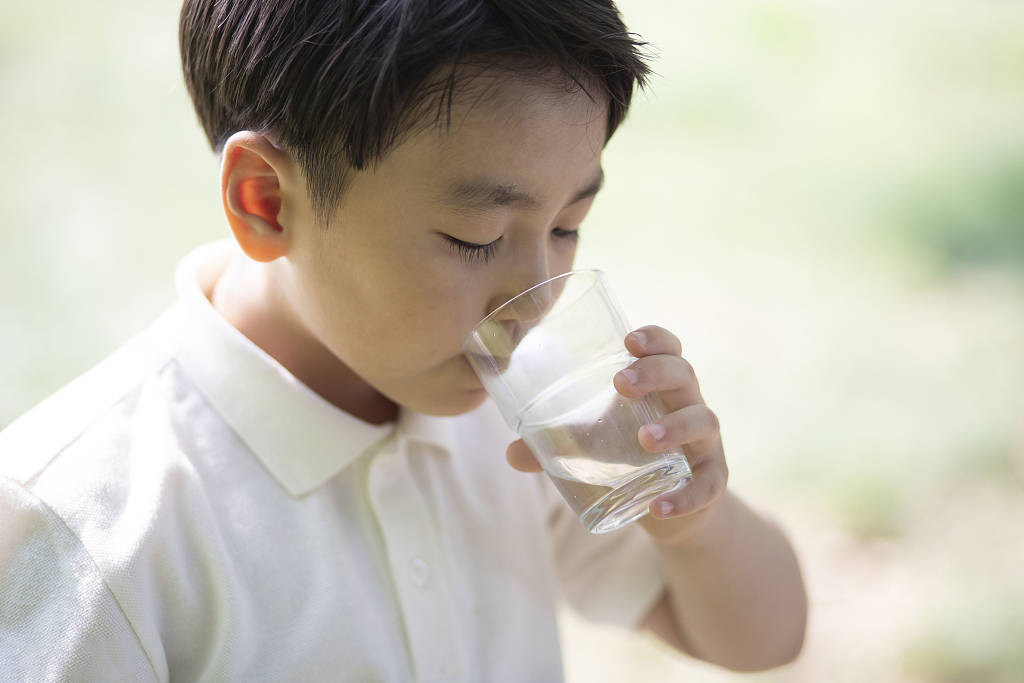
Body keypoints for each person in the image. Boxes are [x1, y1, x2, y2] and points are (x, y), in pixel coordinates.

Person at [0, 0, 807, 680]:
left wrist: (692, 523)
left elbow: (761, 638)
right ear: (266, 201)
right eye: (474, 236)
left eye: (568, 225)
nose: (536, 296)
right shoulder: (90, 532)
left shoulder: (531, 414)